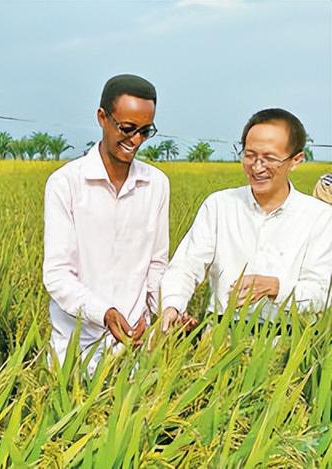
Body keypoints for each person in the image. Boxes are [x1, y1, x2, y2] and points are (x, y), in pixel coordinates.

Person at [161, 108, 332, 332]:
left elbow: (322, 293)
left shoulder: (319, 217)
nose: (257, 166)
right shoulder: (220, 206)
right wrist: (172, 306)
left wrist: (275, 288)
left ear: (296, 160)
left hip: (289, 338)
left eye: (269, 158)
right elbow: (186, 265)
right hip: (220, 336)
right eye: (250, 155)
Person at [43, 74, 169, 369]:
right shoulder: (66, 183)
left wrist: (159, 311)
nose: (135, 140)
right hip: (75, 348)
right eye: (127, 129)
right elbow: (57, 274)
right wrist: (105, 313)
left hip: (135, 347)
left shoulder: (157, 184)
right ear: (102, 117)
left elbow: (157, 264)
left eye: (145, 131)